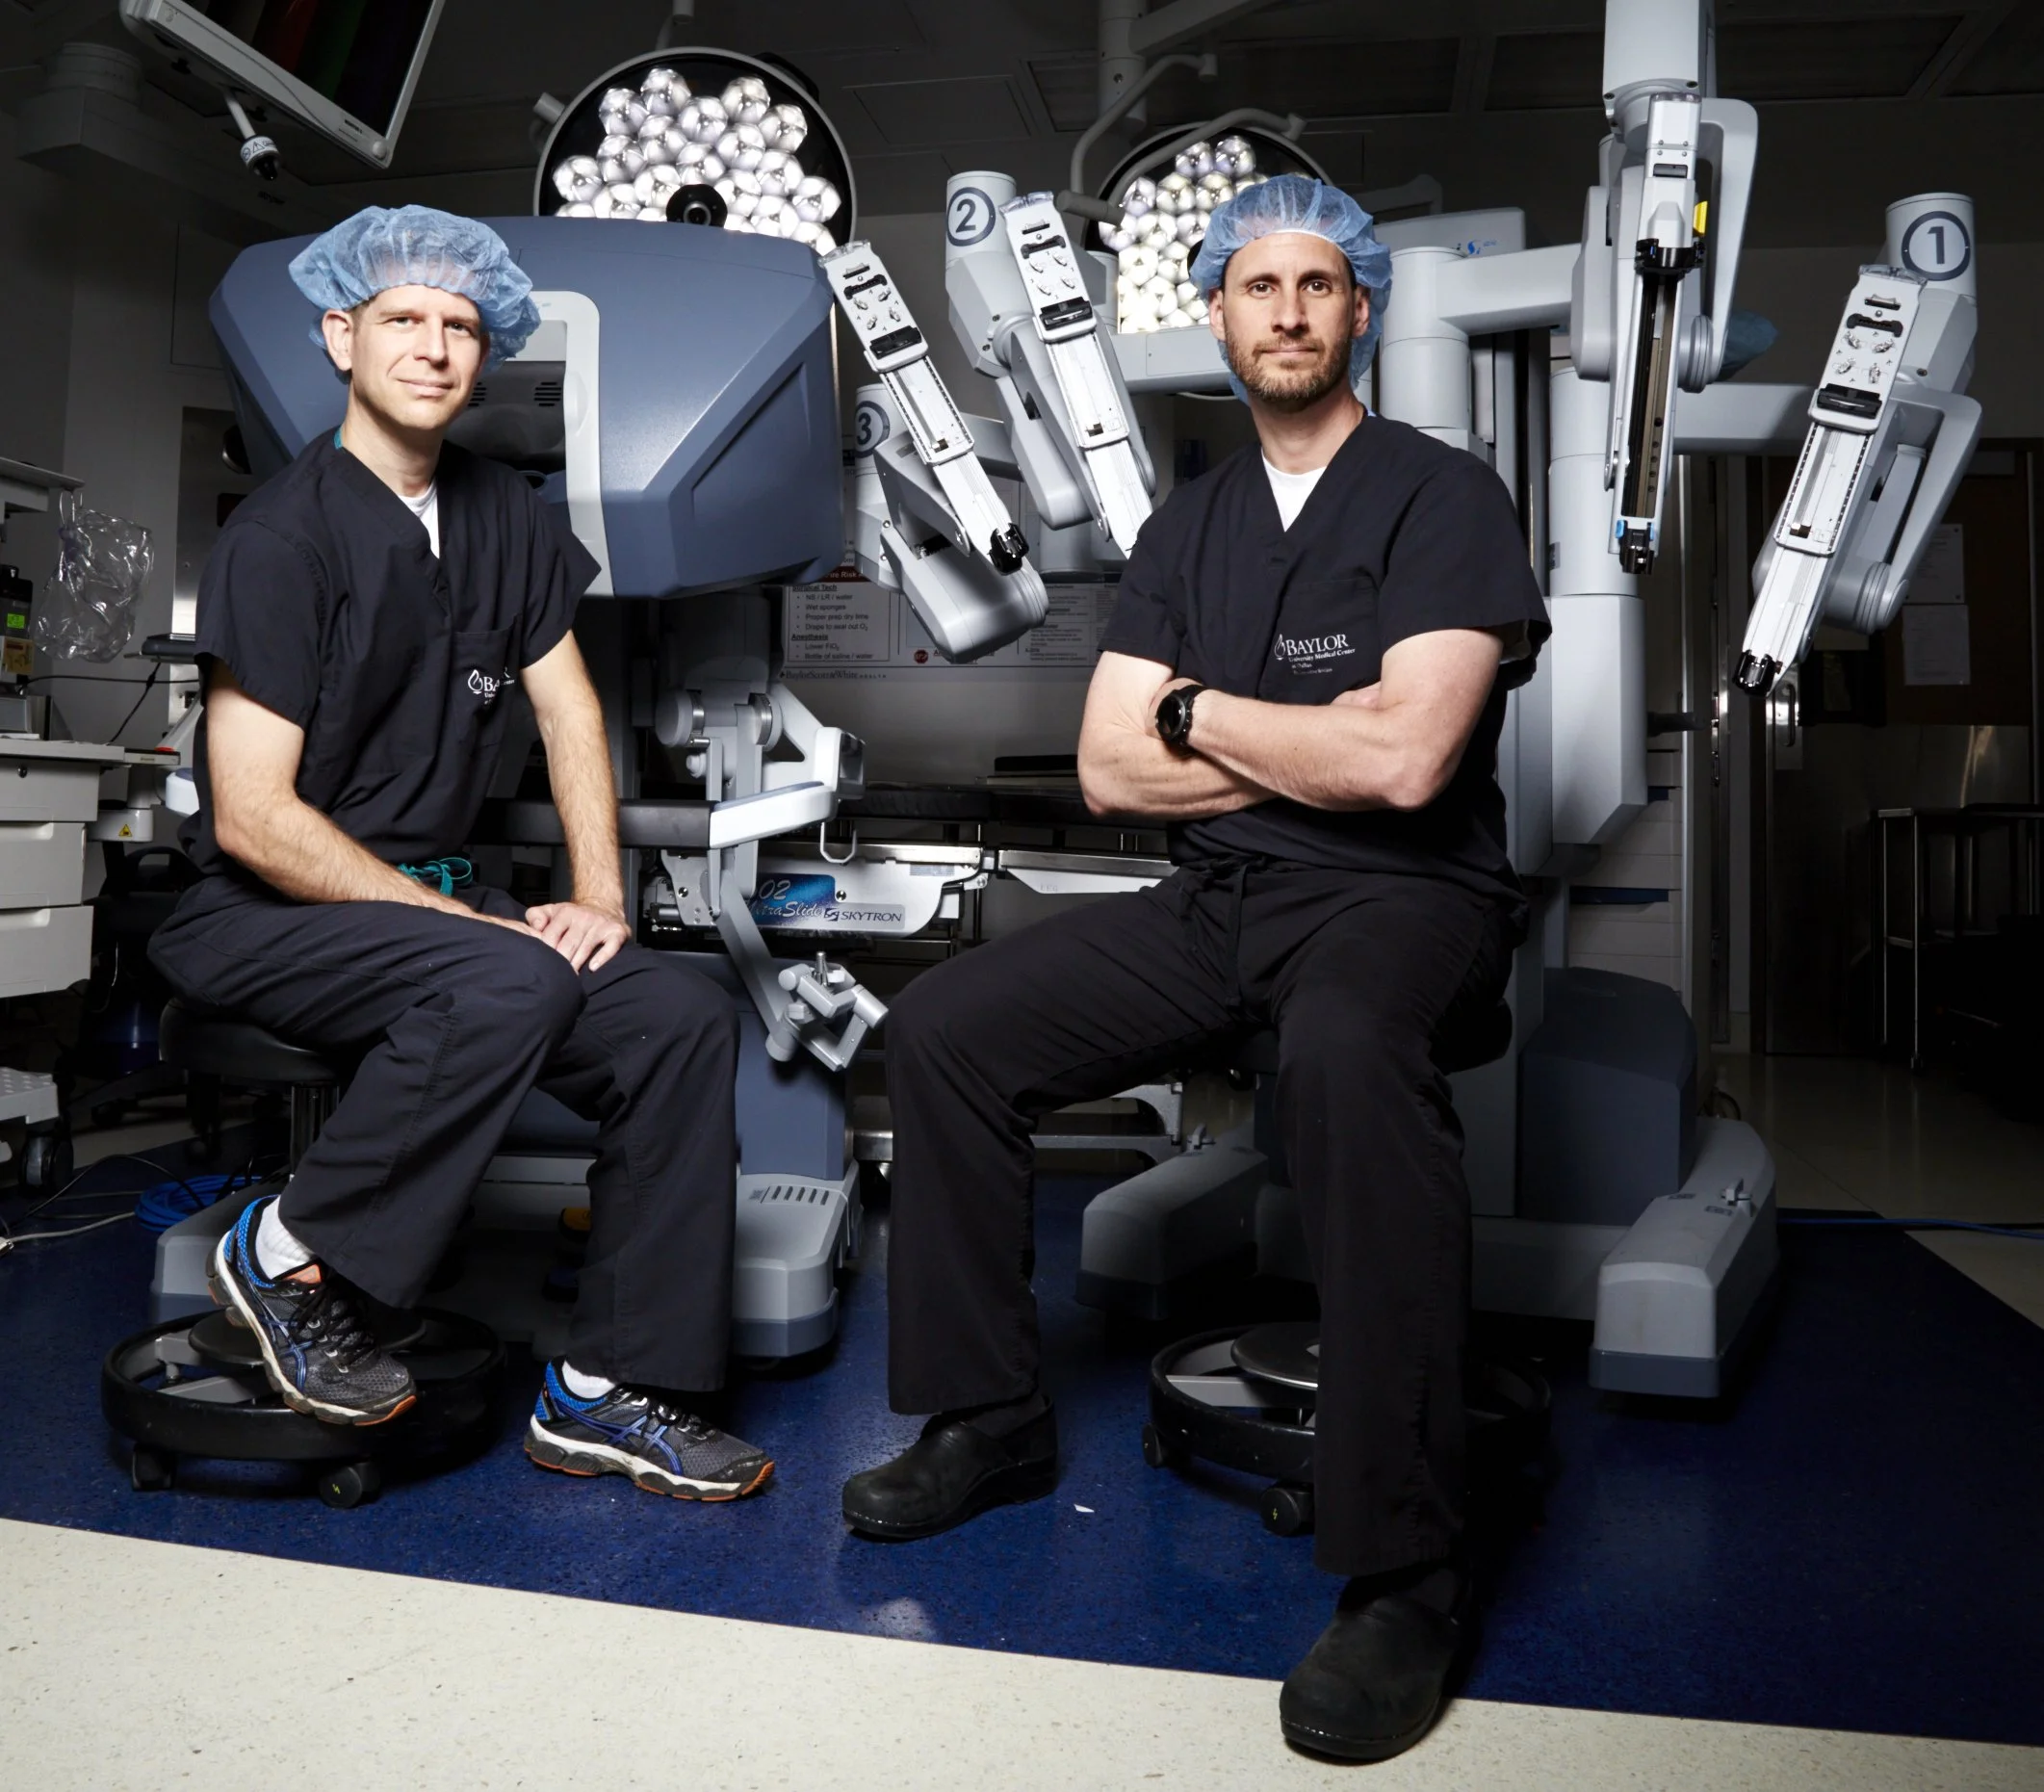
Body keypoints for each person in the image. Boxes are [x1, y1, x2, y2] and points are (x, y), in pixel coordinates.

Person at [840, 177, 1550, 1759]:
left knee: (1347, 1055)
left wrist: (1199, 718)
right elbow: (1106, 772)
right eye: (1253, 284)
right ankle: (989, 1418)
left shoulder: (1442, 496)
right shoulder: (1191, 522)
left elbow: (1411, 765)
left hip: (1400, 902)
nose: (1285, 309)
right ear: (1214, 316)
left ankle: (1402, 1571)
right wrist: (1299, 741)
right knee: (951, 1028)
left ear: (1358, 310)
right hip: (1226, 898)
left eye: (1315, 284)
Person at [150, 205, 771, 1503]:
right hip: (261, 910)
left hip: (436, 903)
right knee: (509, 976)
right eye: (402, 320)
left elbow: (568, 710)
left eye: (458, 326)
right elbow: (256, 816)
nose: (432, 346)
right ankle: (288, 1253)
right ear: (340, 336)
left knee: (673, 1012)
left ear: (484, 355)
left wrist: (598, 898)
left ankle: (608, 1387)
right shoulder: (282, 536)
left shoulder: (505, 518)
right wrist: (477, 934)